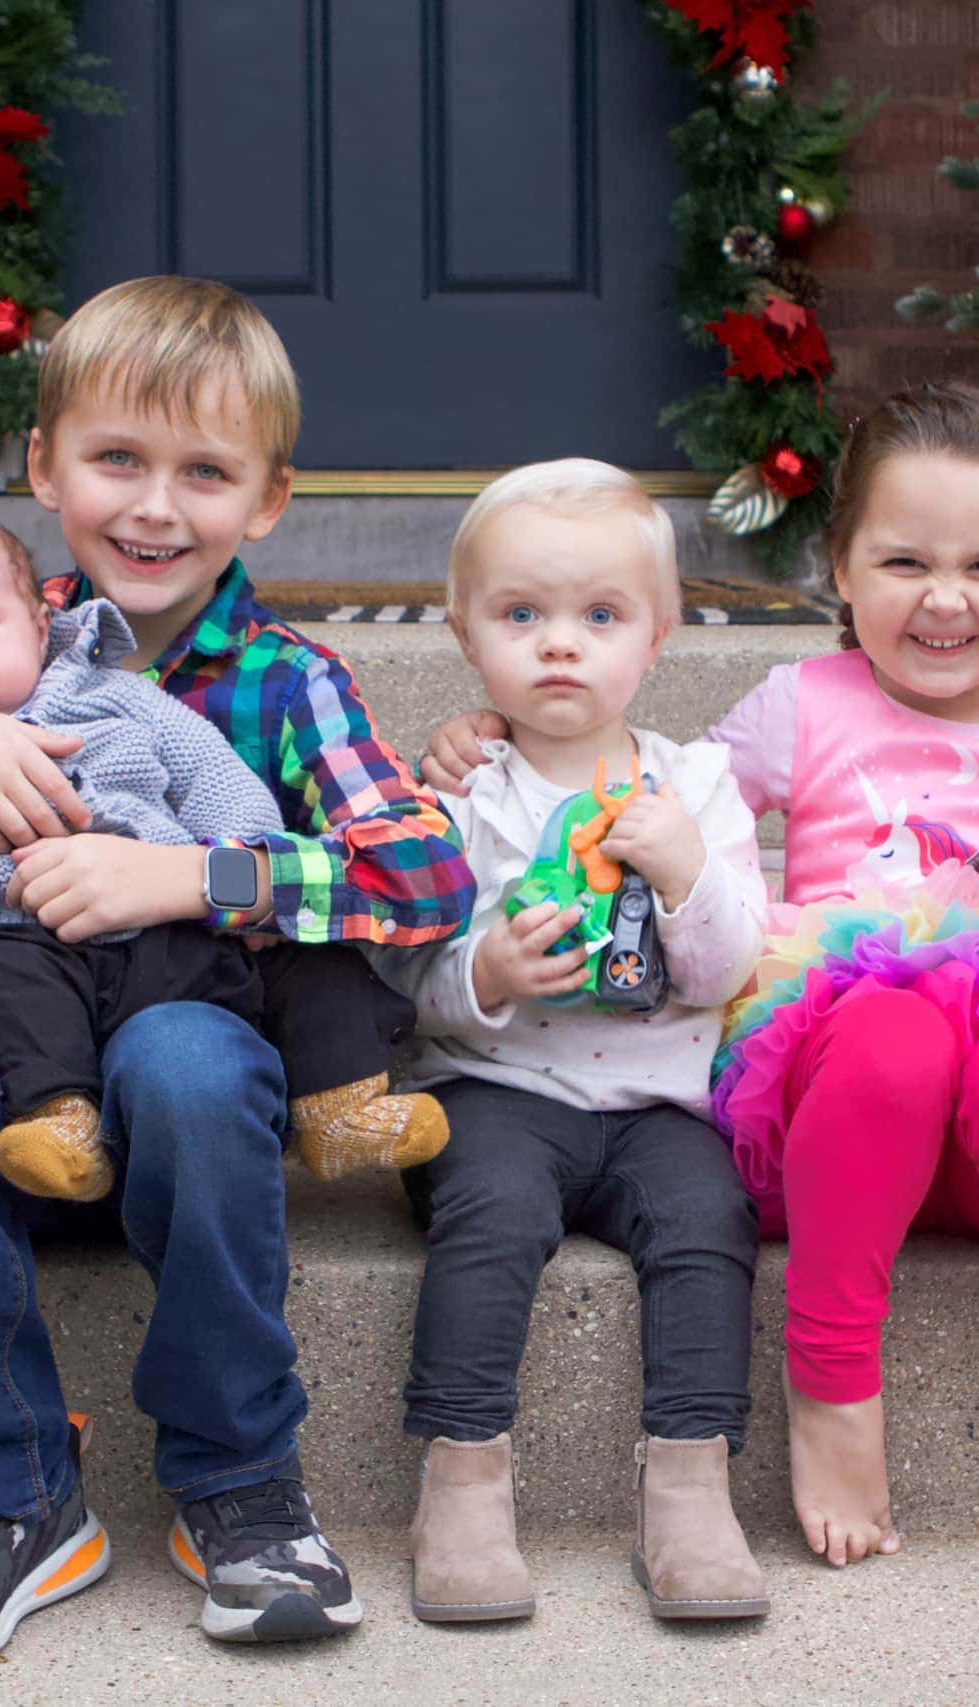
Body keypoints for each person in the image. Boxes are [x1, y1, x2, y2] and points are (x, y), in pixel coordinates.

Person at [420, 382, 979, 1573]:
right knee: (893, 1037)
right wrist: (499, 741)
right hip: (843, 1116)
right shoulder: (803, 706)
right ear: (839, 568)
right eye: (902, 561)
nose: (941, 598)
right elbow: (647, 795)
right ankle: (833, 1392)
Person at [0, 275, 473, 1657]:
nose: (152, 505)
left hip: (190, 1091)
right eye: (117, 458)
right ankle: (5, 1491)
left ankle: (242, 1480)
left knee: (188, 1056)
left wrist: (200, 875)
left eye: (205, 473)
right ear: (43, 466)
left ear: (266, 499)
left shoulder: (284, 676)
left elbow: (425, 875)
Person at [385, 461, 771, 1625]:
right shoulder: (456, 799)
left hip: (658, 1105)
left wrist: (688, 872)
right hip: (496, 1088)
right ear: (464, 636)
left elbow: (729, 967)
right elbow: (398, 974)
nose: (561, 646)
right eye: (521, 617)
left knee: (709, 1221)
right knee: (493, 1214)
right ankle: (461, 1482)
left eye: (599, 617)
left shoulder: (698, 787)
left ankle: (691, 1489)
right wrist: (485, 974)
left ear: (658, 634)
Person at [0, 510, 446, 1200]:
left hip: (175, 930)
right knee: (4, 982)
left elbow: (213, 777)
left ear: (40, 627)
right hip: (28, 935)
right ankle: (59, 1120)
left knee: (309, 951)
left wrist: (223, 870)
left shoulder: (122, 697)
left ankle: (341, 1107)